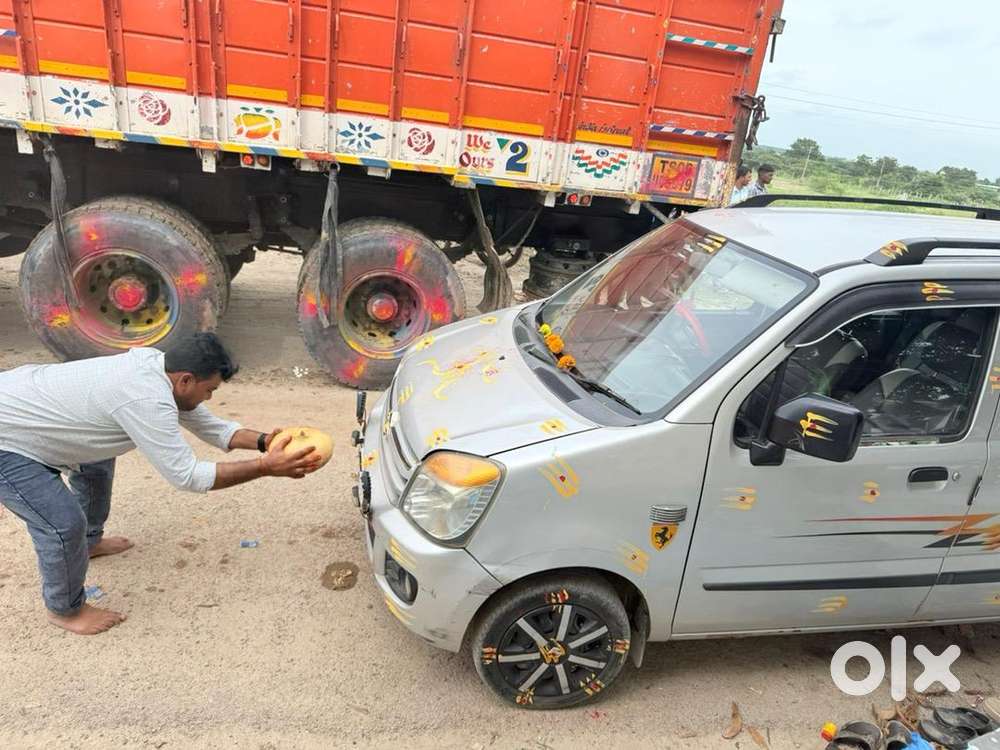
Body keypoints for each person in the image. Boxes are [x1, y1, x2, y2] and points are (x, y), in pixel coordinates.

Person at [0, 333, 322, 635]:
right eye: (209, 390)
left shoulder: (159, 371)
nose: (208, 397)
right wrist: (265, 469)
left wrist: (268, 442)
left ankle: (88, 542)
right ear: (186, 380)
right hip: (7, 439)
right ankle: (65, 611)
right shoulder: (145, 397)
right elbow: (187, 476)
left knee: (96, 463)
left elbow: (211, 426)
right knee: (61, 525)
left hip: (33, 417)